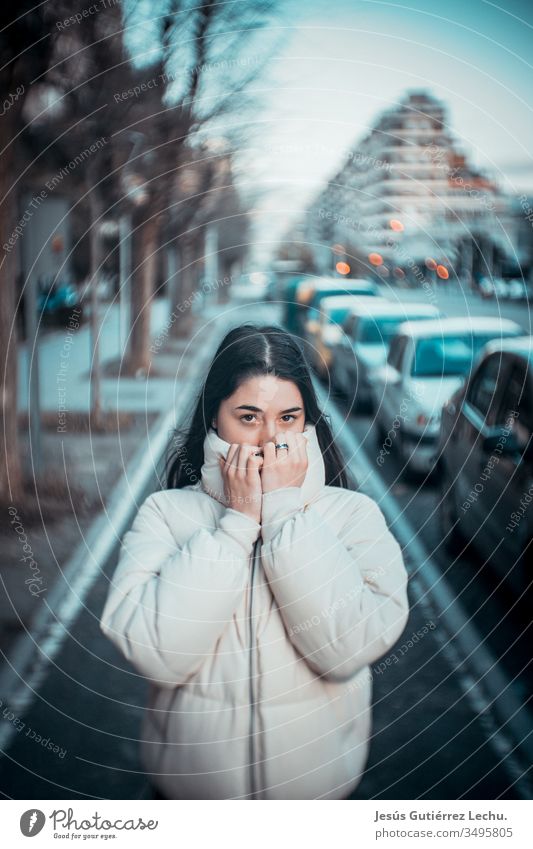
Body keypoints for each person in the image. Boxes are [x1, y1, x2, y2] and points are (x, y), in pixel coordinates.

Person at [99, 323, 409, 800]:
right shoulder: (166, 514)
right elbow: (156, 651)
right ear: (214, 420)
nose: (271, 440)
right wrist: (235, 528)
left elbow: (348, 648)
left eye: (288, 418)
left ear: (308, 424)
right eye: (248, 417)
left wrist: (284, 512)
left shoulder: (352, 517)